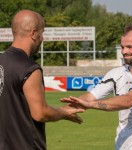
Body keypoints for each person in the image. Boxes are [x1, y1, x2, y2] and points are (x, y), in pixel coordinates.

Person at [0, 10, 84, 150]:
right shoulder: (29, 68)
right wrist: (64, 112)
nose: (42, 38)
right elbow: (40, 113)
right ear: (33, 34)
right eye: (42, 33)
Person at [61, 23, 132, 150]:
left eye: (130, 47)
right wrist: (65, 111)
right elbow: (91, 96)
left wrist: (91, 105)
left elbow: (130, 100)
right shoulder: (116, 73)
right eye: (122, 47)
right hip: (122, 145)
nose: (124, 52)